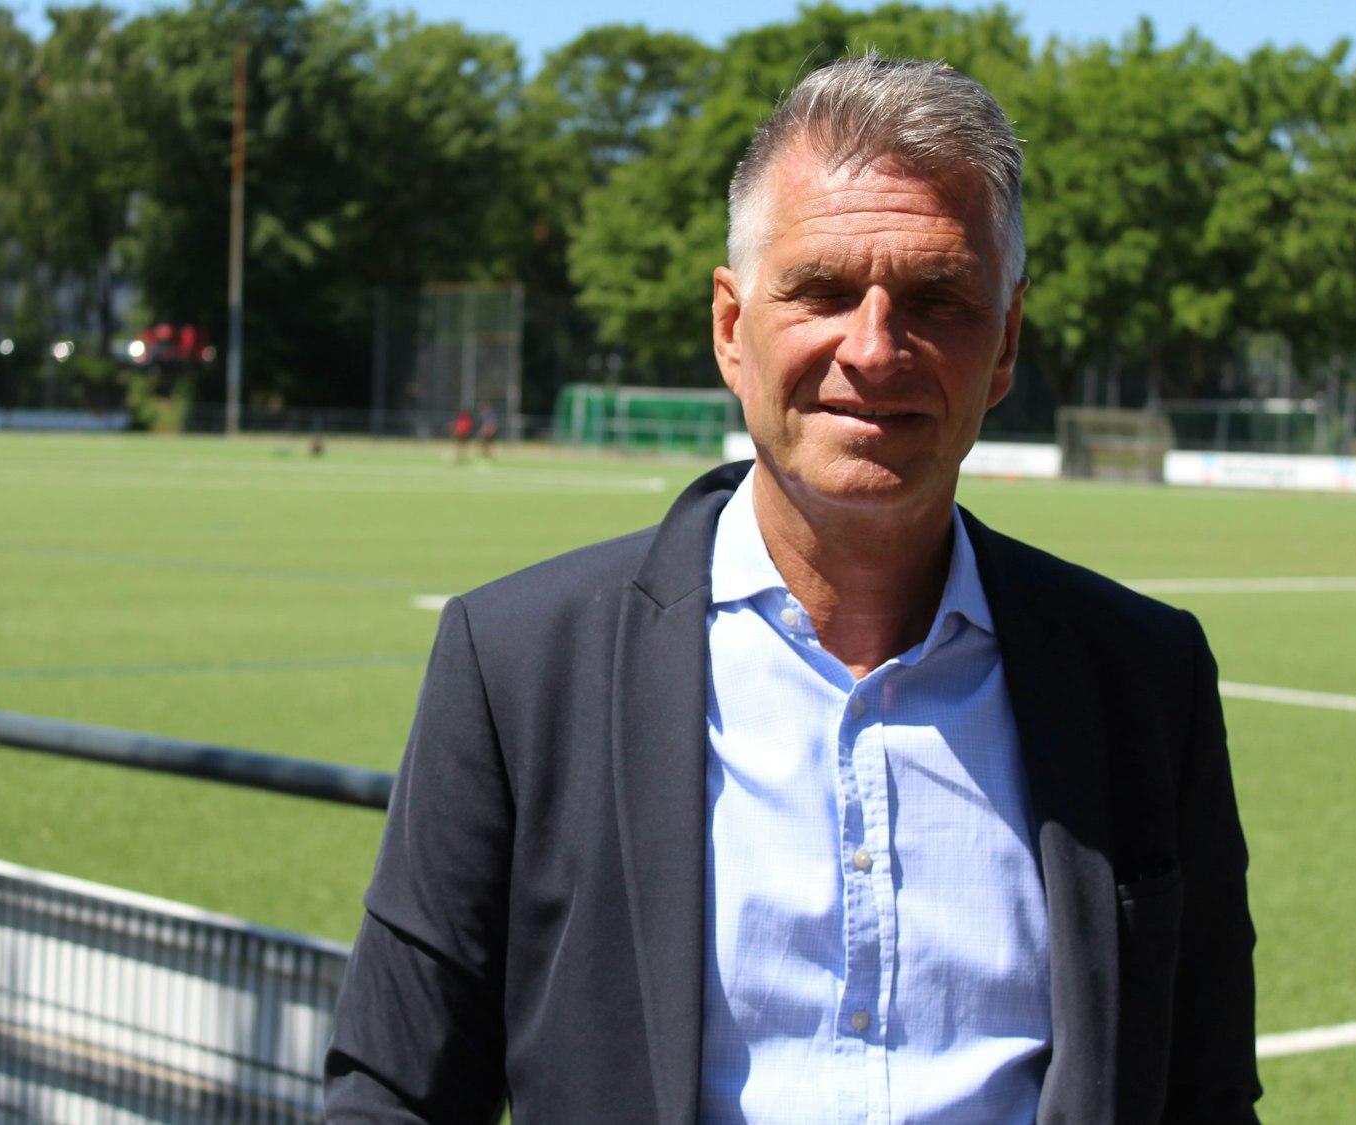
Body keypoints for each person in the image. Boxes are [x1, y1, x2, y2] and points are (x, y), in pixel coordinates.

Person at [326, 55, 1260, 1124]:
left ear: (1003, 344)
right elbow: (394, 1096)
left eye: (936, 297)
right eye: (819, 289)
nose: (872, 348)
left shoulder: (1143, 679)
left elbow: (1203, 1097)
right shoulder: (517, 665)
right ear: (731, 326)